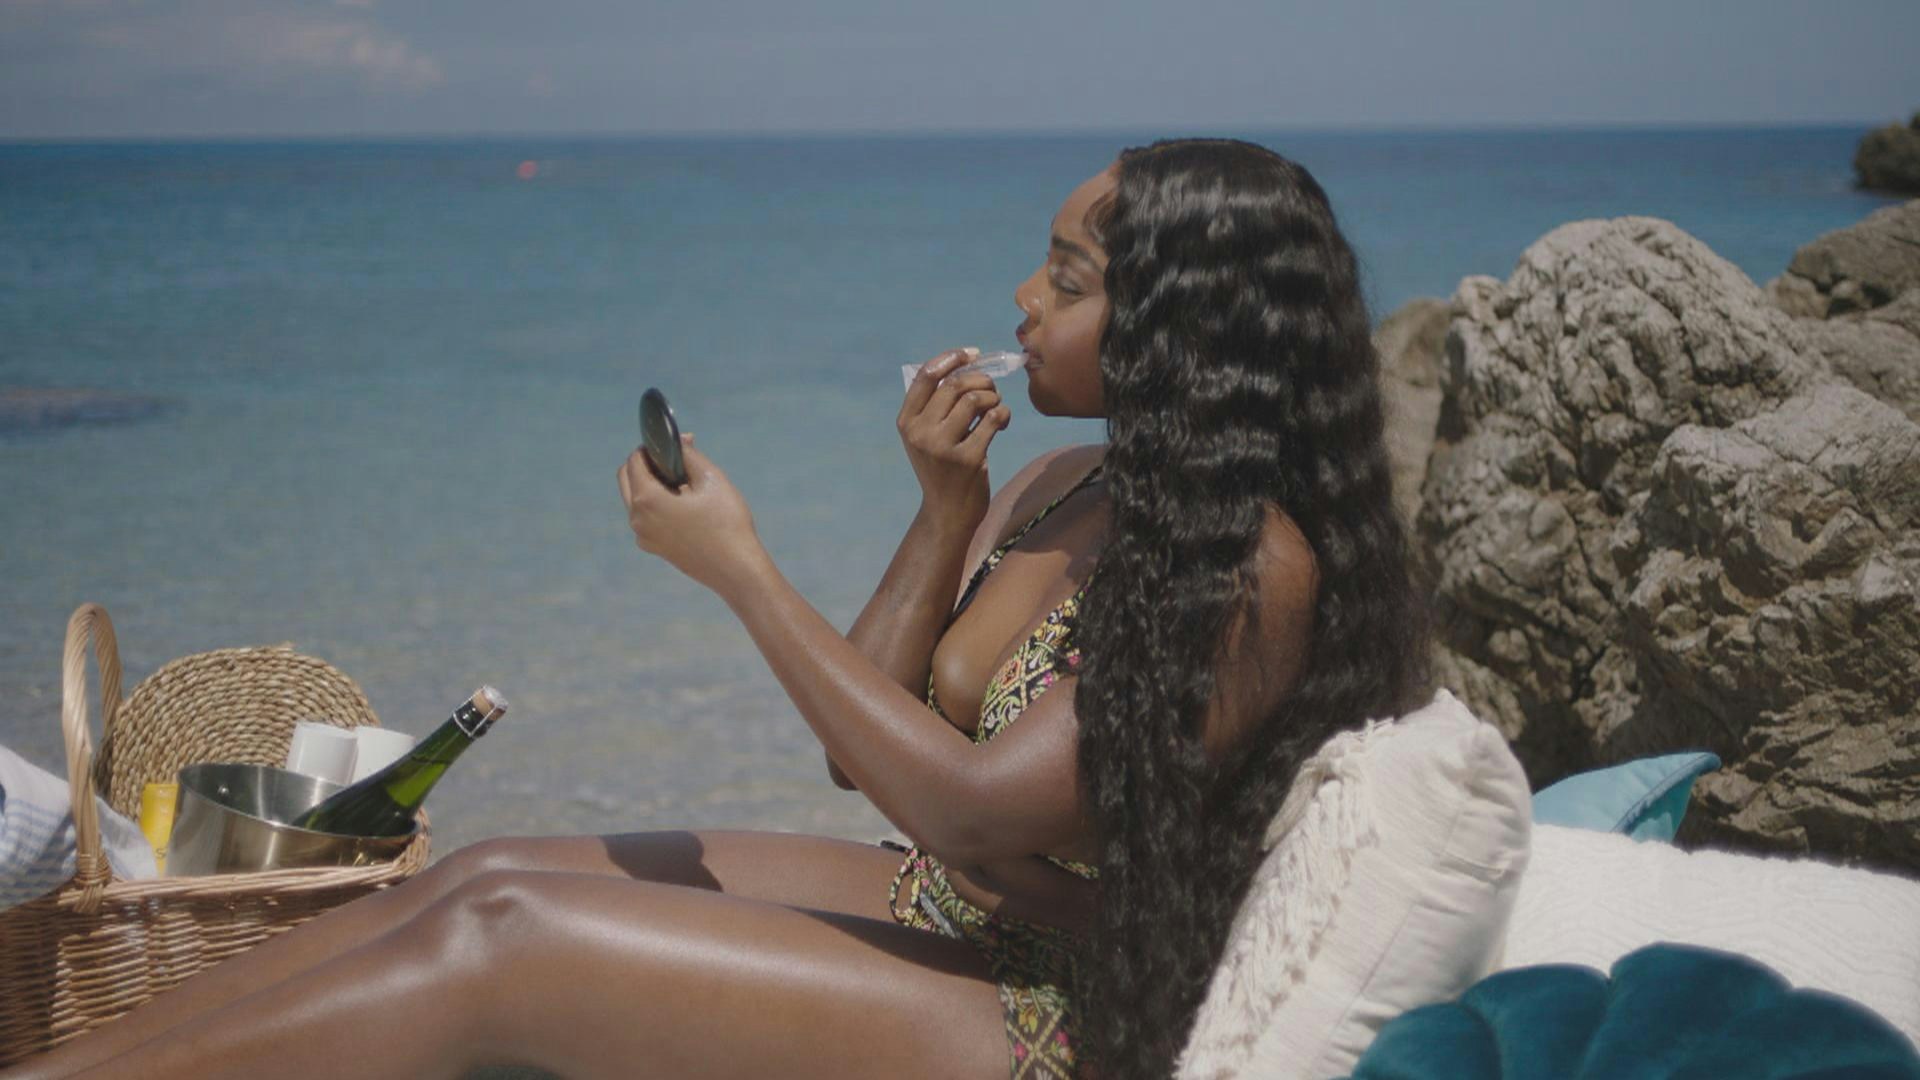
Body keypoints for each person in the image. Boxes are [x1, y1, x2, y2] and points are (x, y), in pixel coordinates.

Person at [2, 138, 1427, 1080]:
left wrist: (741, 570)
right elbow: (860, 759)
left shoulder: (1247, 567)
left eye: (1067, 277)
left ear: (1181, 324)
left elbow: (977, 807)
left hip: (1074, 1017)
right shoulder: (1065, 484)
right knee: (478, 876)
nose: (1022, 295)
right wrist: (943, 514)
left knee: (504, 944)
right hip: (958, 907)